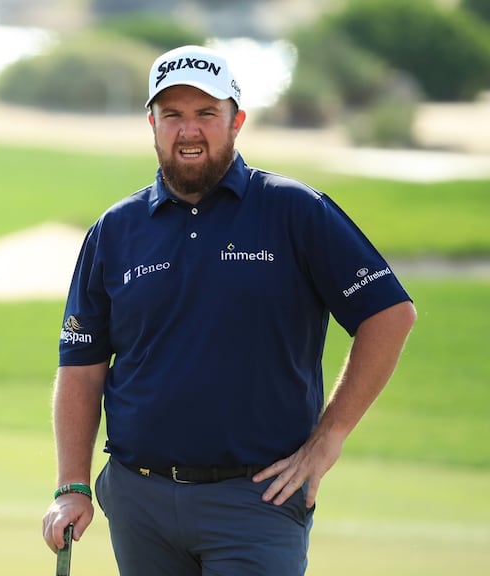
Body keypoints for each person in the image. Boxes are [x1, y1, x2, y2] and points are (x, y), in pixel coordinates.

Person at [41, 45, 417, 575]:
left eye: (205, 114)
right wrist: (72, 486)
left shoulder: (295, 210)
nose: (188, 130)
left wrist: (329, 437)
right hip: (138, 502)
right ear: (151, 122)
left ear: (236, 121)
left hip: (256, 501)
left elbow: (389, 314)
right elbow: (81, 366)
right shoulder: (116, 230)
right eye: (172, 114)